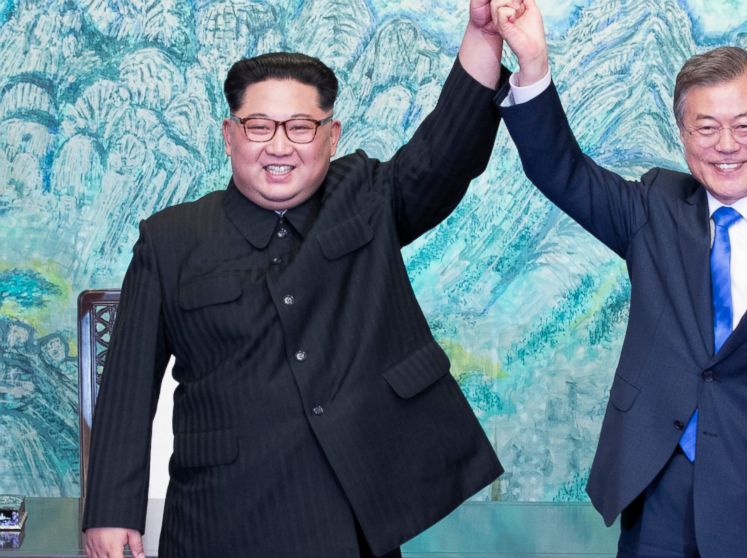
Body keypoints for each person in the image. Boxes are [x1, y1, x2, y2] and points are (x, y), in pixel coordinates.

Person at [82, 2, 516, 556]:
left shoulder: (367, 196)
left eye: (301, 127)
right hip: (217, 517)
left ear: (331, 136)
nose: (279, 146)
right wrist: (111, 512)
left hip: (348, 518)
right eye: (259, 126)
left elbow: (446, 152)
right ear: (229, 136)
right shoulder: (169, 239)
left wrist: (484, 35)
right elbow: (127, 385)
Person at [488, 1, 747, 556]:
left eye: (744, 126)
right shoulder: (654, 209)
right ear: (682, 133)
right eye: (706, 128)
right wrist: (533, 64)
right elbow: (560, 169)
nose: (726, 146)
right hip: (659, 503)